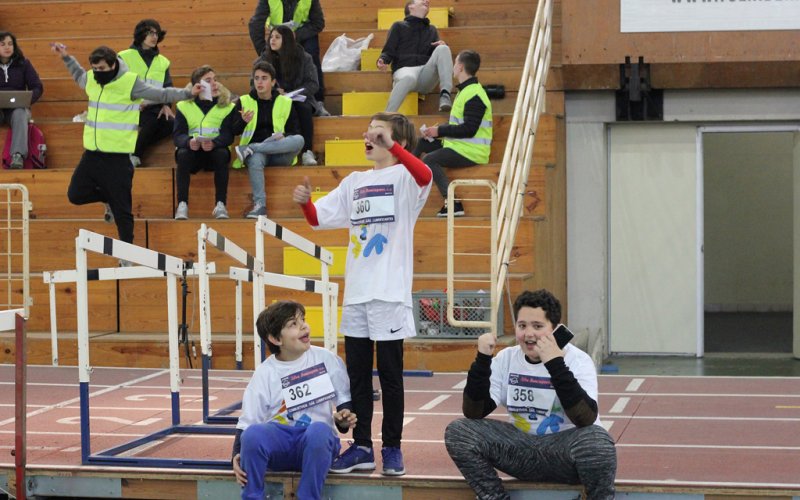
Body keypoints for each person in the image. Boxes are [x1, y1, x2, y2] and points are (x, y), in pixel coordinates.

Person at [292, 112, 432, 476]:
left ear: (395, 139)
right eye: (367, 132)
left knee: (390, 375)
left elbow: (425, 175)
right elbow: (317, 218)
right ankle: (363, 446)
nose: (368, 137)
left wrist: (395, 148)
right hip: (356, 294)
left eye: (377, 132)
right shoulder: (354, 182)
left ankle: (393, 448)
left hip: (388, 294)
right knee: (357, 377)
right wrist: (306, 202)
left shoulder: (406, 178)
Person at [444, 289, 617, 500]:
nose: (528, 334)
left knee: (598, 441)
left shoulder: (577, 360)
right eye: (522, 326)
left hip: (565, 454)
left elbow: (585, 418)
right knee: (459, 431)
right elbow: (474, 412)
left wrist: (554, 363)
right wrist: (482, 360)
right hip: (520, 452)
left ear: (555, 328)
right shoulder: (506, 358)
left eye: (538, 326)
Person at [52, 43, 199, 247]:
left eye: (102, 69)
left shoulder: (130, 83)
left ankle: (127, 251)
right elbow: (79, 76)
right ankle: (107, 198)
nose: (97, 73)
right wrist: (67, 57)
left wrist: (187, 93)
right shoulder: (92, 78)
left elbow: (161, 94)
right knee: (75, 194)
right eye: (95, 69)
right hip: (92, 155)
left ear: (114, 65)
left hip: (118, 158)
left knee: (123, 210)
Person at [232, 300, 357, 500]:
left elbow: (344, 402)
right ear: (275, 338)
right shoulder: (265, 372)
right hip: (279, 446)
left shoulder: (326, 359)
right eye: (293, 324)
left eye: (303, 320)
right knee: (253, 434)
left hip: (316, 443)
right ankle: (252, 496)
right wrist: (236, 457)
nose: (304, 326)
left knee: (320, 431)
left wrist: (343, 421)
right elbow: (247, 422)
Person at [415, 49, 491, 217]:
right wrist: (436, 132)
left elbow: (469, 129)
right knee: (421, 142)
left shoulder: (474, 94)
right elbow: (460, 126)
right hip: (459, 145)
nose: (453, 66)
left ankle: (453, 204)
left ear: (461, 67)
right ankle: (403, 180)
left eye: (455, 62)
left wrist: (440, 130)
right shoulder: (465, 91)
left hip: (472, 151)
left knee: (430, 159)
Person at [230, 61, 304, 219]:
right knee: (255, 159)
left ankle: (253, 147)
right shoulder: (244, 101)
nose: (260, 82)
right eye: (256, 78)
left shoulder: (286, 102)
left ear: (273, 82)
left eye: (264, 78)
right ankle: (260, 206)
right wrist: (242, 121)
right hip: (258, 156)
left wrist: (283, 137)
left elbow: (294, 131)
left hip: (278, 152)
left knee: (299, 140)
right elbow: (233, 131)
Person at [173, 65, 236, 220]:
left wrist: (215, 143)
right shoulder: (183, 105)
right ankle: (182, 205)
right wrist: (188, 142)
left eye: (215, 79)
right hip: (193, 152)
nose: (215, 83)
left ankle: (221, 205)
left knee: (222, 154)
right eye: (209, 80)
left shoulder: (227, 106)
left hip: (214, 152)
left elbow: (228, 135)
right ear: (198, 86)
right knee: (182, 154)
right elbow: (178, 135)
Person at [248, 0, 328, 113]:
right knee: (266, 61)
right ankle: (274, 91)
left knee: (311, 52)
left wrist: (295, 35)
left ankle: (317, 101)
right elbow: (256, 24)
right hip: (278, 36)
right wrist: (264, 52)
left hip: (300, 36)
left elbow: (318, 23)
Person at [258, 24, 320, 166]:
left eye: (277, 37)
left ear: (286, 40)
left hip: (300, 98)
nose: (272, 40)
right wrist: (273, 92)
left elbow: (313, 83)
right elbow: (254, 83)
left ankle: (307, 152)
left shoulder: (304, 58)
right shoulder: (264, 59)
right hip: (272, 99)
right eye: (271, 37)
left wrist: (292, 93)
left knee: (303, 107)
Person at [378, 0, 453, 113]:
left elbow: (437, 55)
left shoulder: (432, 29)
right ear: (411, 6)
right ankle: (387, 116)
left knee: (443, 48)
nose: (427, 1)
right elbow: (389, 50)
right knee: (409, 78)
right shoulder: (398, 26)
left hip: (425, 74)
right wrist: (383, 60)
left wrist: (441, 45)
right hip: (405, 71)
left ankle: (445, 95)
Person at [118, 19, 175, 168]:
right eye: (150, 33)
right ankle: (135, 154)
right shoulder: (124, 56)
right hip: (129, 107)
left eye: (156, 33)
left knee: (173, 123)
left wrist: (167, 105)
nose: (154, 37)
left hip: (153, 106)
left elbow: (167, 86)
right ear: (140, 35)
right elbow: (117, 86)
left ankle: (133, 150)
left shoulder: (163, 61)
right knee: (153, 120)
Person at [0, 31, 43, 169]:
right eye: (2, 44)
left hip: (17, 108)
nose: (7, 47)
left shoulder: (24, 64)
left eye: (10, 44)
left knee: (20, 113)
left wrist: (28, 99)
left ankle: (17, 156)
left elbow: (37, 87)